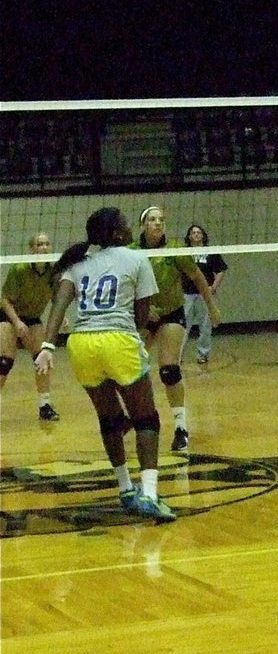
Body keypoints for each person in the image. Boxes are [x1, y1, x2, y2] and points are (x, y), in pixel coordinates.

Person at [33, 207, 175, 521]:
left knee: (109, 419)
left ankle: (125, 488)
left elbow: (59, 303)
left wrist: (46, 345)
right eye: (125, 224)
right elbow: (141, 316)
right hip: (117, 340)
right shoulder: (137, 259)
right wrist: (129, 335)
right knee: (146, 419)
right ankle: (149, 494)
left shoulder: (78, 262)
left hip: (80, 345)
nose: (128, 228)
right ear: (115, 233)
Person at [137, 205, 221, 452]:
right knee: (130, 369)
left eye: (161, 219)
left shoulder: (175, 249)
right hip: (142, 316)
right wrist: (140, 308)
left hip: (172, 313)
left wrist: (212, 307)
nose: (158, 223)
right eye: (152, 219)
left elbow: (197, 278)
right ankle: (137, 419)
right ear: (143, 224)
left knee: (169, 369)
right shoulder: (131, 252)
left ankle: (181, 428)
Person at [0, 232, 61, 421]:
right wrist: (17, 322)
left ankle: (45, 405)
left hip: (33, 318)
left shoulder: (54, 271)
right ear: (32, 249)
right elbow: (4, 300)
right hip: (9, 316)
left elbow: (57, 296)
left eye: (47, 244)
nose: (44, 247)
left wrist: (62, 316)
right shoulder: (20, 269)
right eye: (39, 244)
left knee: (42, 360)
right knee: (4, 364)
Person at [180, 223, 227, 365]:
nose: (196, 235)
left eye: (198, 232)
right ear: (189, 236)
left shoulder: (210, 252)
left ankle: (203, 354)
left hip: (204, 295)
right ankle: (178, 356)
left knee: (205, 326)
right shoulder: (183, 252)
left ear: (203, 235)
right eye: (193, 232)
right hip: (186, 294)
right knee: (182, 327)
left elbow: (221, 269)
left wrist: (214, 286)